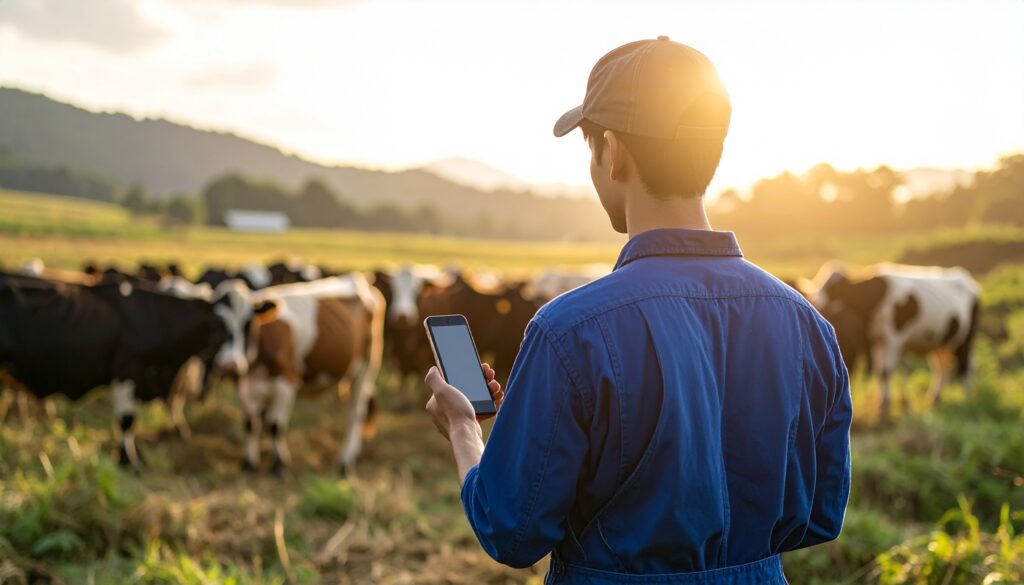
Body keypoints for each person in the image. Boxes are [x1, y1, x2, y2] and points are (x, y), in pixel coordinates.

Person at [424, 36, 852, 585]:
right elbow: (821, 517)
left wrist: (464, 429)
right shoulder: (808, 326)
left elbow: (511, 532)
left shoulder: (569, 331)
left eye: (590, 148)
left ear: (614, 151)